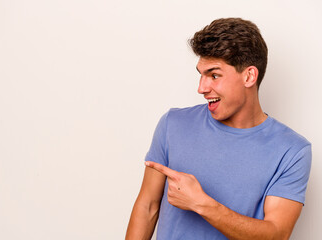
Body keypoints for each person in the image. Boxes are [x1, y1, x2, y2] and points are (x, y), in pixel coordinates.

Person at [125, 18, 312, 240]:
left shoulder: (291, 150)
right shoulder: (173, 124)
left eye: (214, 75)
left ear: (249, 76)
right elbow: (148, 207)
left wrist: (201, 204)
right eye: (201, 74)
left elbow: (277, 234)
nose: (201, 88)